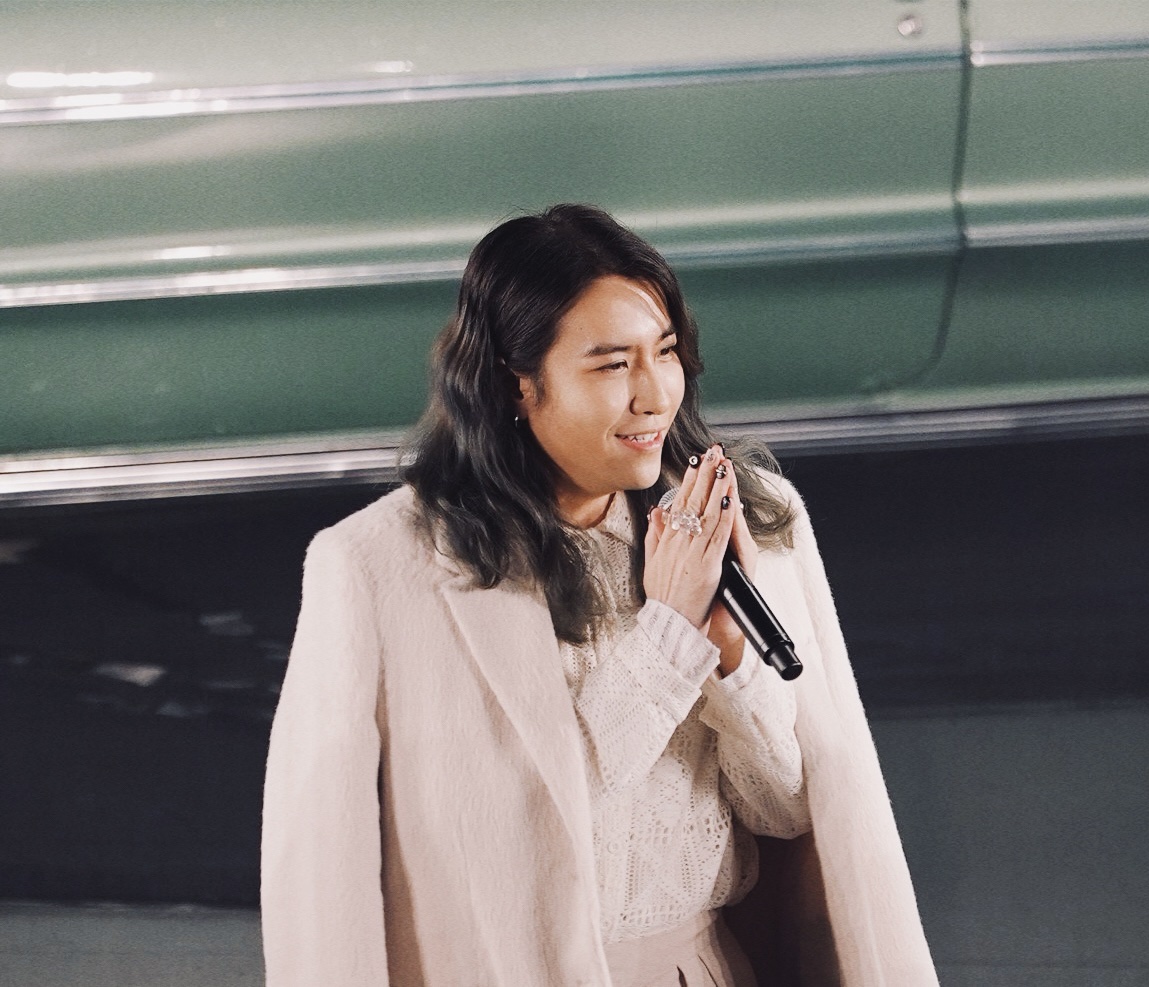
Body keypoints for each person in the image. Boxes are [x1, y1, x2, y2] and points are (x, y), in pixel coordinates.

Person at [260, 204, 938, 987]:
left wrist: (728, 657)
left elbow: (789, 811)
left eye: (667, 351)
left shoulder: (744, 519)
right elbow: (335, 879)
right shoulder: (376, 568)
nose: (655, 395)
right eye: (613, 365)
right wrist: (667, 634)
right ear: (516, 383)